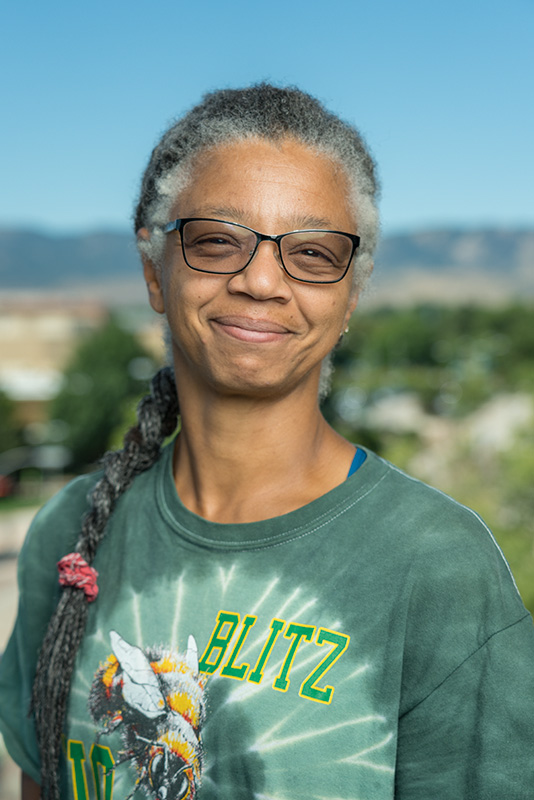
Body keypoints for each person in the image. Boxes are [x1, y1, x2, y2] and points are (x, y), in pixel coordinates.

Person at [0, 84, 533, 800]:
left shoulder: (437, 567)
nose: (260, 280)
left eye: (312, 253)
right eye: (218, 240)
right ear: (155, 267)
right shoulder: (68, 535)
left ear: (351, 293)